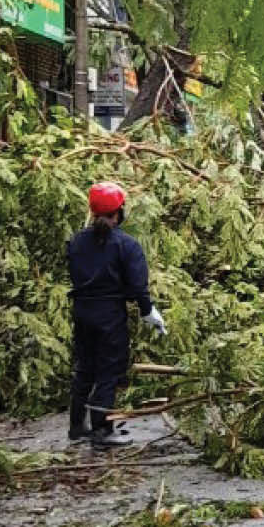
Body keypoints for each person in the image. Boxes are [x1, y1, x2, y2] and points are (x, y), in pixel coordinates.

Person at [68, 181, 166, 447]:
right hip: (109, 314)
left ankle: (77, 427)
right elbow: (137, 286)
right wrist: (149, 312)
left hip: (82, 311)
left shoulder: (76, 241)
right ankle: (102, 431)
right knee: (109, 370)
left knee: (85, 368)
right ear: (119, 212)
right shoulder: (126, 244)